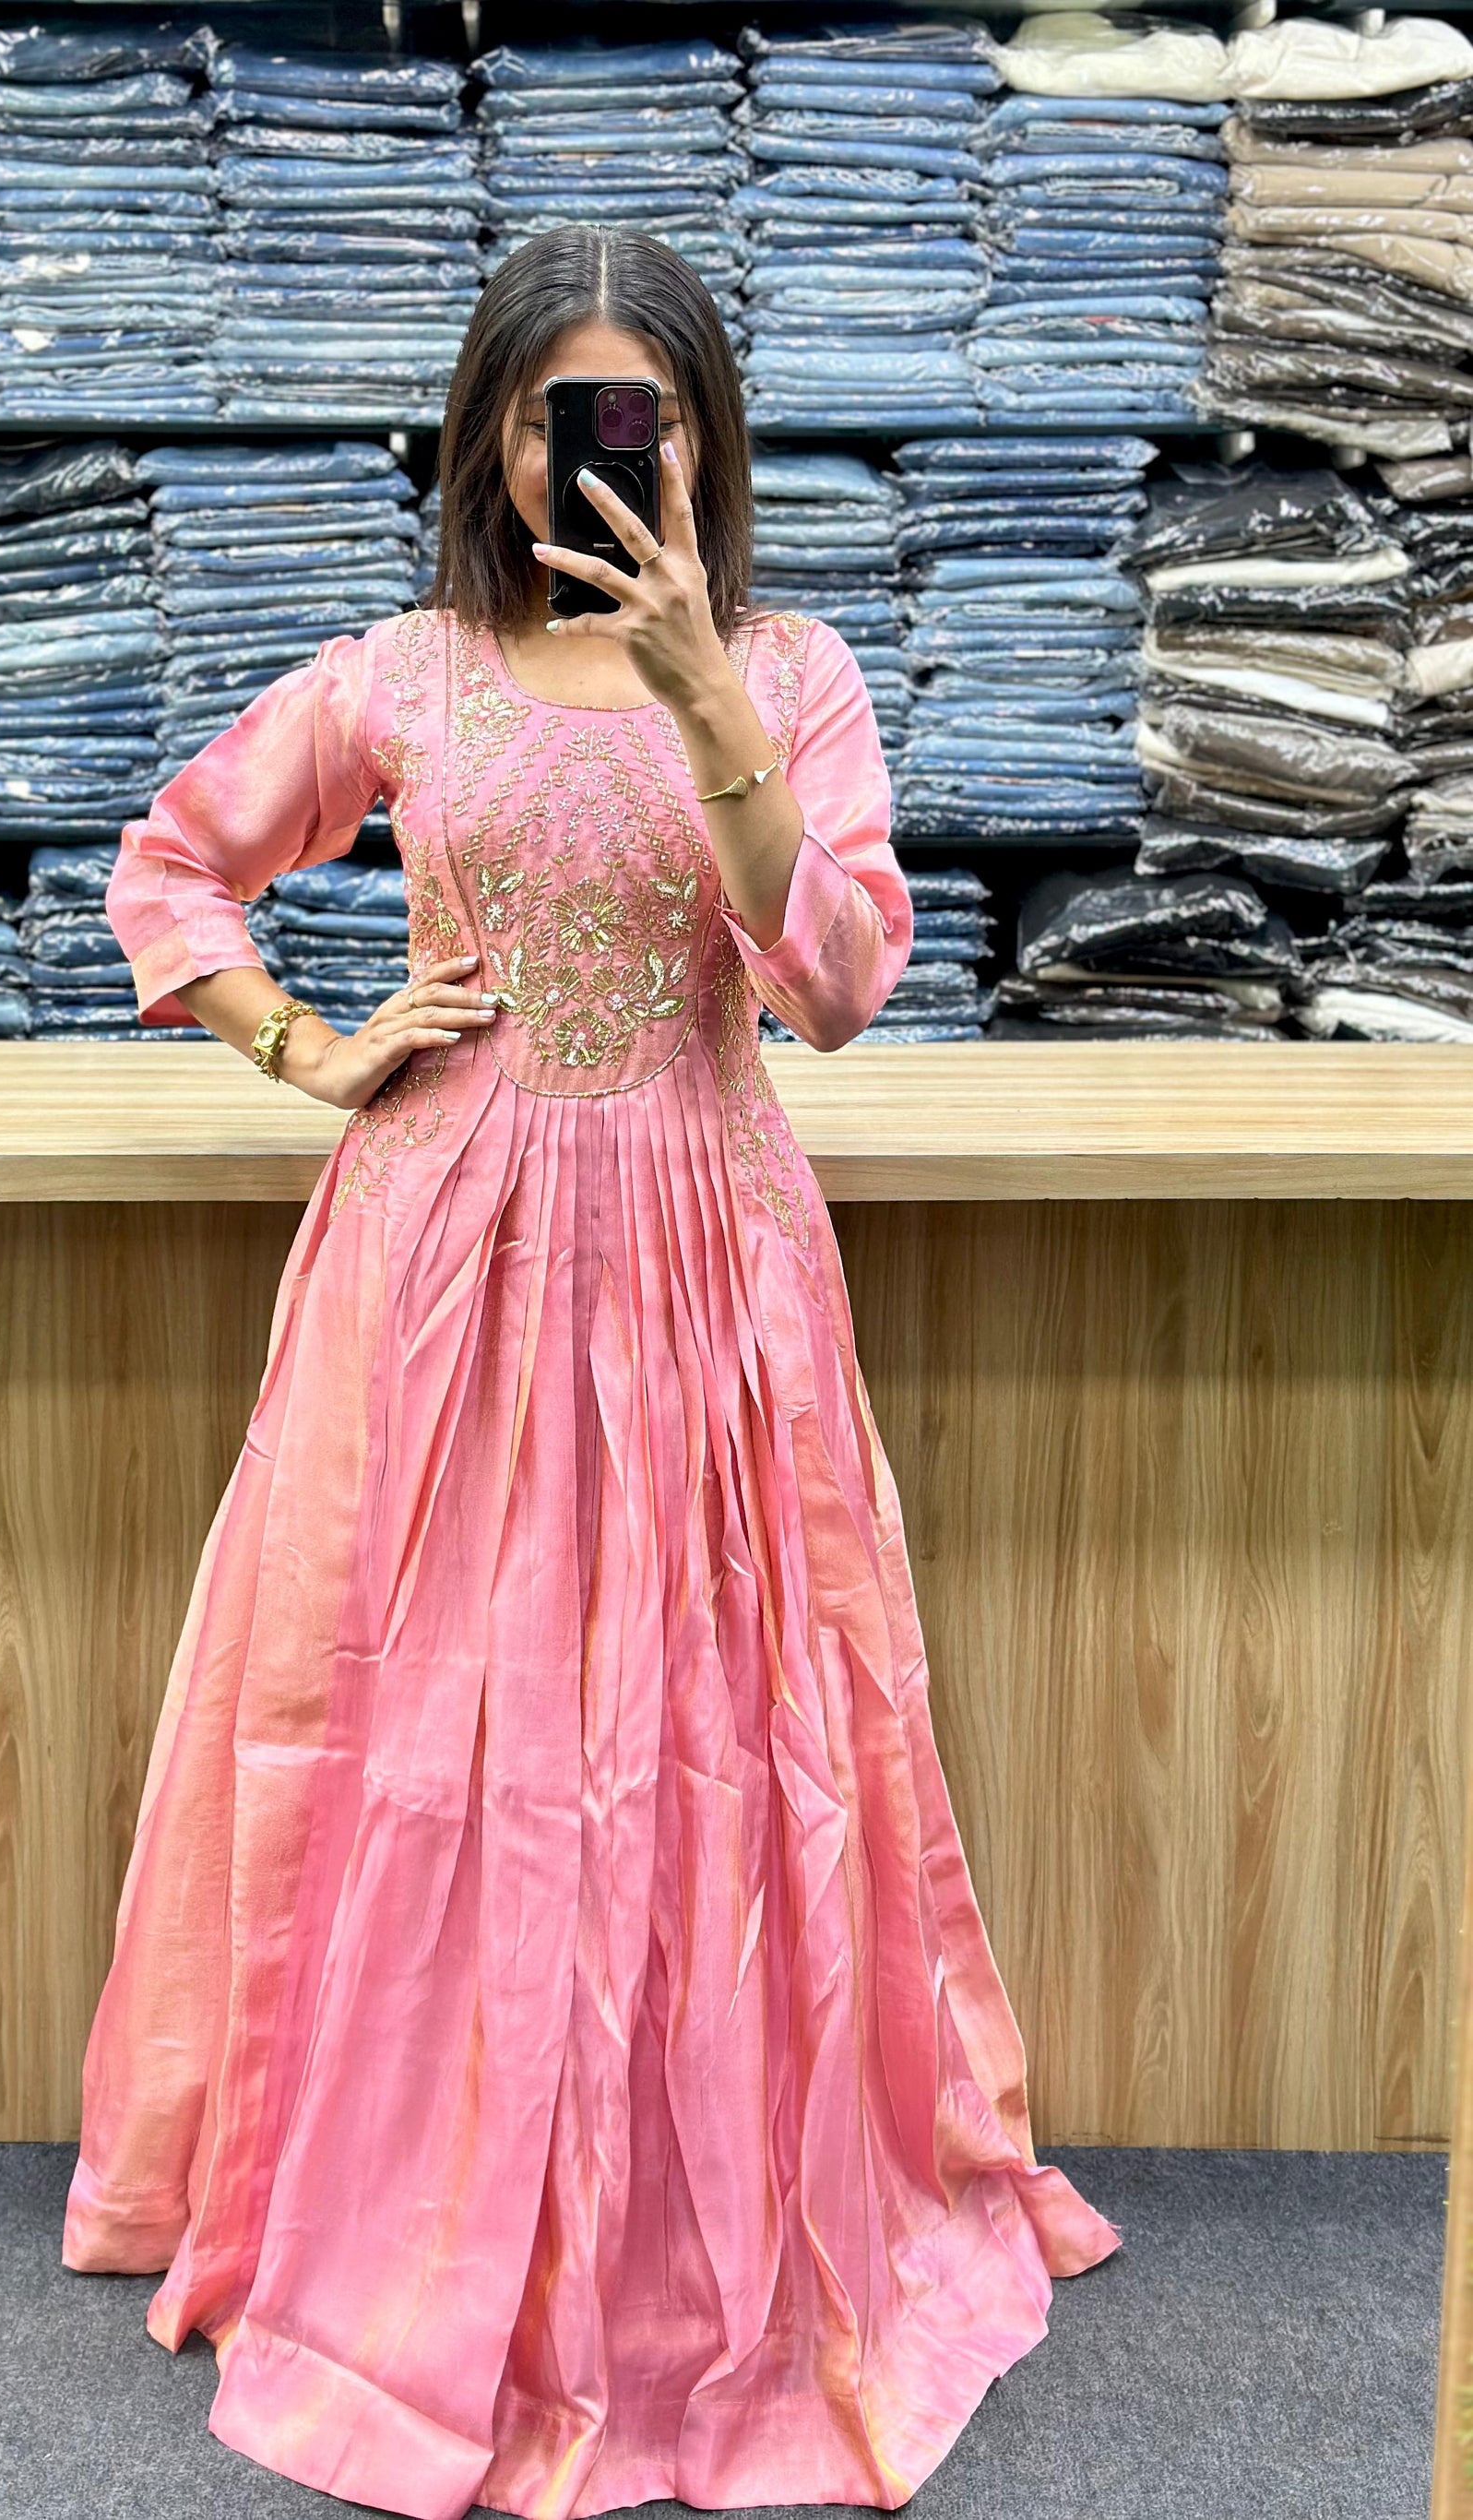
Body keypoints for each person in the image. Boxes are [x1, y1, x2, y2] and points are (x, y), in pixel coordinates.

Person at [61, 223, 1122, 2518]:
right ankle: (431, 2219)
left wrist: (705, 697)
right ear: (494, 439)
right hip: (440, 1268)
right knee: (429, 1739)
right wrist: (308, 1044)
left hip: (707, 1269)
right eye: (564, 419)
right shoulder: (403, 675)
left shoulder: (794, 676)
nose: (606, 457)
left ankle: (672, 2257)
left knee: (717, 1736)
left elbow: (837, 991)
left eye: (649, 414)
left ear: (712, 436)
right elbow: (170, 863)